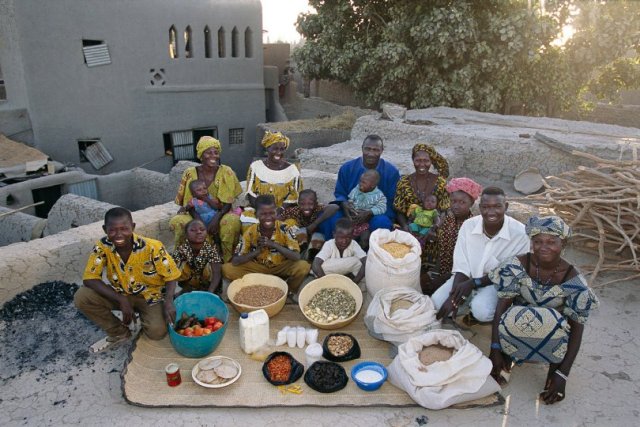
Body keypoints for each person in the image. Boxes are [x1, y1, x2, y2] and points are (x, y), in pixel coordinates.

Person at [488, 216, 599, 405]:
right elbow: (501, 308)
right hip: (518, 322)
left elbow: (577, 330)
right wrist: (496, 349)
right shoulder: (518, 265)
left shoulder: (573, 280)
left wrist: (562, 374)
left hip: (554, 334)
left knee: (555, 324)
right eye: (537, 241)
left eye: (551, 242)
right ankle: (508, 357)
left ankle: (553, 368)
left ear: (563, 243)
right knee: (510, 317)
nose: (543, 247)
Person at [75, 207, 181, 352]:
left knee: (157, 333)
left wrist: (169, 301)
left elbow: (172, 275)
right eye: (112, 230)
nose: (119, 235)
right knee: (82, 297)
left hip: (149, 296)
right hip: (120, 293)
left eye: (124, 229)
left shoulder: (152, 247)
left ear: (133, 227)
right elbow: (89, 278)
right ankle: (119, 332)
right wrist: (121, 299)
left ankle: (142, 316)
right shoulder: (102, 246)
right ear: (105, 229)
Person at [432, 187, 530, 323]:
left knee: (482, 312)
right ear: (479, 207)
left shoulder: (520, 234)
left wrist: (472, 284)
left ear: (506, 206)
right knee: (437, 302)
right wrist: (453, 297)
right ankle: (465, 304)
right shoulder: (468, 226)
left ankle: (476, 311)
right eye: (485, 207)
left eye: (497, 206)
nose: (491, 212)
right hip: (466, 279)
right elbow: (462, 266)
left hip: (494, 284)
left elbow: (508, 275)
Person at [169, 136, 242, 262]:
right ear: (201, 155)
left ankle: (226, 258)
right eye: (209, 152)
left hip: (220, 212)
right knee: (178, 221)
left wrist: (216, 219)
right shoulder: (190, 173)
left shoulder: (226, 172)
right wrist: (199, 221)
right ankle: (183, 258)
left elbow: (228, 202)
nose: (213, 156)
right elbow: (189, 203)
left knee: (232, 221)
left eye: (216, 152)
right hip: (196, 213)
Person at [222, 195, 311, 297]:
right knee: (227, 269)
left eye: (271, 213)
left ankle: (288, 290)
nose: (268, 217)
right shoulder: (250, 231)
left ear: (276, 213)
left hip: (280, 267)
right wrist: (256, 252)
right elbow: (235, 261)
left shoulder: (285, 228)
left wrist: (273, 244)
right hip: (258, 268)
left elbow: (296, 256)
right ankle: (258, 286)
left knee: (303, 266)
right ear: (256, 215)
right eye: (263, 214)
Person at [325, 134, 400, 240]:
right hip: (351, 212)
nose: (371, 154)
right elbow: (340, 193)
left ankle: (372, 252)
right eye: (367, 149)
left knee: (381, 223)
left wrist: (370, 212)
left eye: (376, 150)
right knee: (332, 218)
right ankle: (331, 248)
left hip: (377, 213)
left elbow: (391, 200)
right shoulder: (347, 168)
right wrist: (345, 205)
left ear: (382, 151)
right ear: (362, 148)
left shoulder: (391, 172)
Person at [424, 177, 482, 294]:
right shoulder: (447, 218)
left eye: (462, 202)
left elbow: (468, 264)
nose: (456, 206)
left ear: (471, 203)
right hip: (442, 267)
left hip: (462, 275)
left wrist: (442, 279)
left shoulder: (473, 226)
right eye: (453, 201)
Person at [394, 143, 450, 265]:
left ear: (431, 161)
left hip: (433, 226)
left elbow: (444, 210)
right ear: (412, 160)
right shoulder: (404, 182)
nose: (422, 164)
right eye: (418, 160)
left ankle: (430, 271)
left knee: (440, 237)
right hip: (410, 225)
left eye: (426, 160)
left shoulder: (440, 182)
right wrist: (405, 227)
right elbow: (399, 210)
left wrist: (434, 228)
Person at [246, 131, 302, 208]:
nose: (278, 152)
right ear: (267, 149)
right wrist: (261, 210)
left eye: (282, 149)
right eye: (275, 149)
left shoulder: (292, 170)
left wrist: (281, 209)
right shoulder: (256, 167)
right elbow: (250, 192)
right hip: (259, 209)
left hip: (283, 211)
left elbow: (295, 195)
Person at [279, 189, 339, 259]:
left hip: (314, 237)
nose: (306, 207)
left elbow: (335, 207)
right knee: (299, 229)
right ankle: (300, 252)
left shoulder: (318, 208)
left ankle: (312, 256)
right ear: (298, 203)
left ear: (316, 203)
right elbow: (279, 218)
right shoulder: (295, 210)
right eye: (302, 204)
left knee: (318, 235)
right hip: (299, 238)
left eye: (310, 204)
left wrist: (314, 224)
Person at [172, 219, 223, 295]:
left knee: (212, 267)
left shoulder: (211, 250)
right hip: (189, 283)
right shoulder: (181, 250)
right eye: (193, 230)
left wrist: (209, 293)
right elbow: (171, 274)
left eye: (202, 229)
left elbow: (217, 273)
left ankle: (208, 291)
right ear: (186, 234)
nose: (199, 232)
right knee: (179, 265)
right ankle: (187, 290)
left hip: (207, 284)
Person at [312, 218, 367, 286]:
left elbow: (365, 261)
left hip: (347, 272)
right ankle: (328, 282)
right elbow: (315, 264)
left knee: (362, 262)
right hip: (329, 274)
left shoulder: (354, 244)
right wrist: (326, 283)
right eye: (341, 237)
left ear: (352, 236)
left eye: (348, 238)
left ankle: (352, 283)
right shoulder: (329, 244)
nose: (344, 241)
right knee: (320, 266)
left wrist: (354, 283)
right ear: (334, 234)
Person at [345, 169, 387, 248]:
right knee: (348, 236)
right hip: (353, 220)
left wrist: (370, 212)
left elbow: (382, 208)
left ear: (372, 186)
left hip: (365, 223)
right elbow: (350, 199)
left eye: (364, 182)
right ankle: (350, 250)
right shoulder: (356, 189)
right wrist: (350, 206)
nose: (360, 184)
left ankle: (363, 252)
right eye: (360, 181)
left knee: (365, 238)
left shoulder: (379, 195)